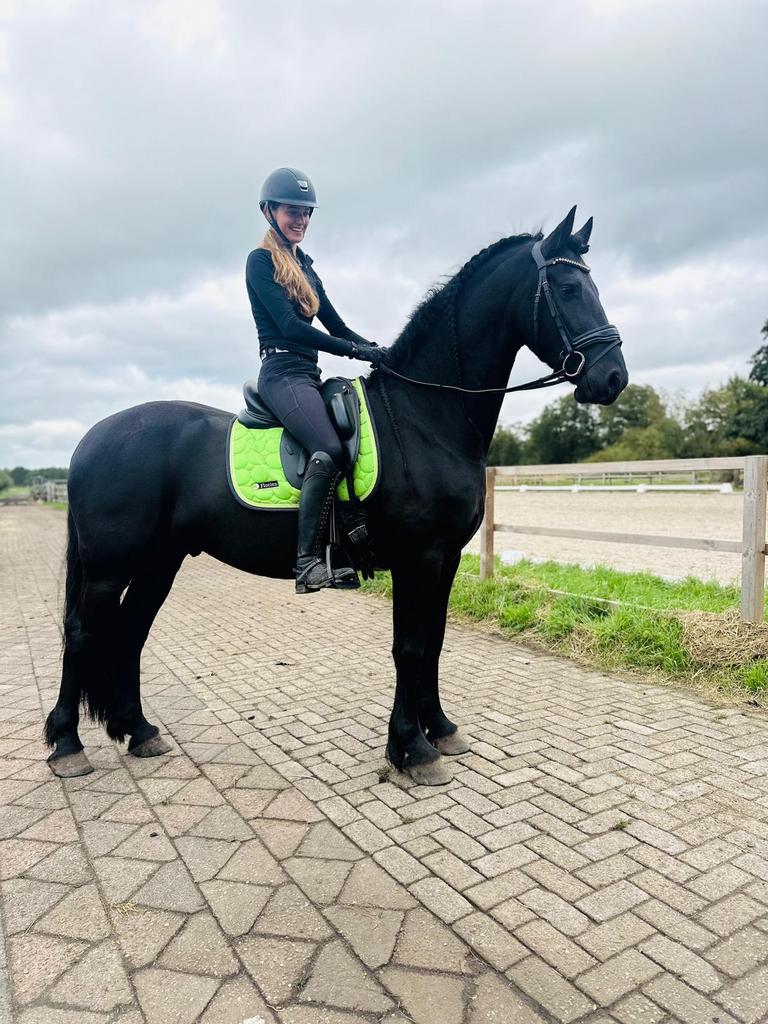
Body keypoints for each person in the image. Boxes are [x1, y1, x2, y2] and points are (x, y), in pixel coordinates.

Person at [246, 167, 383, 594]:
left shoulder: (305, 265)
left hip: (309, 374)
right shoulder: (260, 261)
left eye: (307, 212)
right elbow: (289, 326)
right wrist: (353, 351)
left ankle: (340, 551)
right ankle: (306, 562)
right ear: (270, 211)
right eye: (293, 211)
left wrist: (378, 350)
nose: (301, 219)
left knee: (349, 439)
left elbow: (336, 325)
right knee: (328, 449)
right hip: (281, 373)